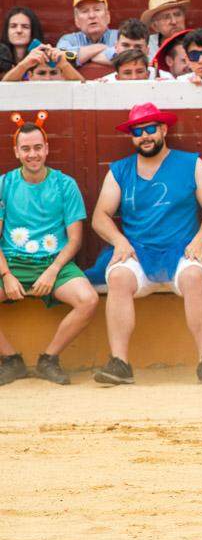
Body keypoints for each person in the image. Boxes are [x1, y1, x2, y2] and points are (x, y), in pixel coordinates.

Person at [87, 103, 202, 386]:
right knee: (117, 276)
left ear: (164, 130)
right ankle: (120, 363)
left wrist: (199, 242)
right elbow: (100, 216)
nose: (144, 136)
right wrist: (119, 241)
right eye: (137, 132)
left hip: (183, 248)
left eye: (150, 129)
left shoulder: (192, 163)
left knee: (193, 275)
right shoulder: (119, 170)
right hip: (137, 251)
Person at [0, 114, 99, 385]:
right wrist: (7, 275)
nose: (33, 154)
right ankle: (11, 360)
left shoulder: (65, 184)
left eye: (37, 148)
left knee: (88, 300)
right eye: (26, 149)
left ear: (46, 148)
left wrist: (53, 271)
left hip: (55, 262)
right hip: (11, 261)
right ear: (16, 152)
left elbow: (75, 240)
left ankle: (49, 359)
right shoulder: (4, 184)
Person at [57, 0, 119, 68]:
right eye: (84, 11)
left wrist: (84, 56)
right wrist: (101, 48)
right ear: (77, 20)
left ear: (108, 16)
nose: (92, 16)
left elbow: (127, 58)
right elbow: (60, 59)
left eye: (97, 10)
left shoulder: (119, 36)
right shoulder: (68, 40)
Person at [2, 46, 85, 83]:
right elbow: (4, 87)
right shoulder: (25, 89)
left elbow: (83, 88)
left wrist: (64, 65)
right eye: (41, 73)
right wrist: (24, 65)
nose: (47, 79)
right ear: (30, 76)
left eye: (53, 73)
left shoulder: (66, 88)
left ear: (62, 75)